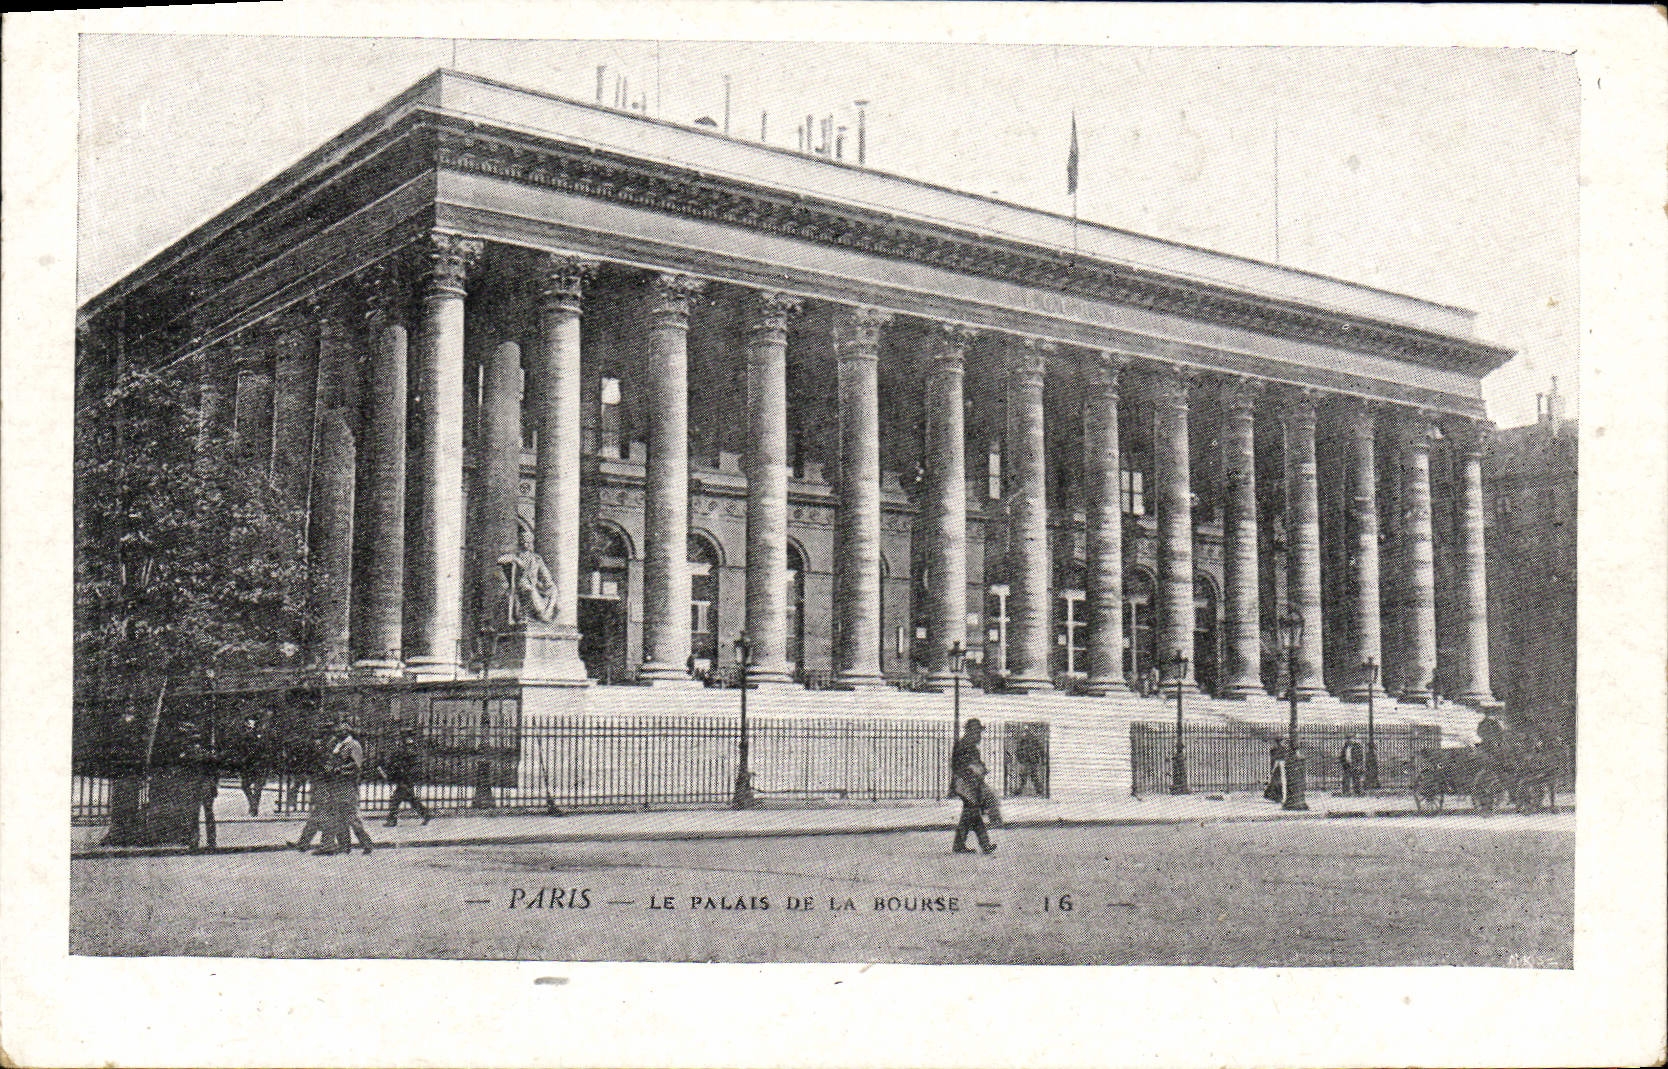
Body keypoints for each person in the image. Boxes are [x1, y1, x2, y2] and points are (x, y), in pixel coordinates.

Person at [316, 721, 374, 856]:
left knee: (351, 818)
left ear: (347, 732)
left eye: (340, 732)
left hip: (348, 786)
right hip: (337, 785)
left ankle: (367, 843)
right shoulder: (339, 745)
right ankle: (341, 846)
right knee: (337, 816)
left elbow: (356, 766)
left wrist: (339, 769)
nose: (337, 734)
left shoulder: (354, 745)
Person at [950, 718, 998, 855]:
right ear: (971, 731)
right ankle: (983, 845)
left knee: (971, 815)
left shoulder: (967, 745)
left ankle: (963, 845)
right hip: (965, 785)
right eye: (978, 732)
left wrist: (980, 768)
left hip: (969, 784)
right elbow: (962, 766)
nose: (980, 736)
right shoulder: (965, 745)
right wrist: (977, 769)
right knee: (973, 814)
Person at [379, 727, 431, 827]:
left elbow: (407, 761)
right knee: (411, 799)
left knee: (395, 799)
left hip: (406, 778)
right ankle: (426, 814)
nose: (400, 736)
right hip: (404, 778)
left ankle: (392, 820)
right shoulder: (405, 746)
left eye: (402, 734)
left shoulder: (409, 746)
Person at [1012, 728, 1046, 796]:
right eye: (1025, 731)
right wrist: (1019, 758)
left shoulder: (1035, 740)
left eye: (1028, 731)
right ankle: (1021, 790)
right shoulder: (1022, 741)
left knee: (1033, 775)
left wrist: (1040, 758)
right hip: (1025, 760)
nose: (1027, 733)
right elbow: (1018, 750)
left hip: (1032, 760)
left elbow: (1041, 749)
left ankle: (1038, 790)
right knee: (1024, 776)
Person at [1264, 738, 1288, 803]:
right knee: (1279, 783)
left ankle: (1278, 797)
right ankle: (1279, 797)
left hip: (1277, 767)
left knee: (1276, 783)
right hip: (1280, 767)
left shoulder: (1274, 750)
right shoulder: (1282, 750)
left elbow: (1274, 760)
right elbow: (1279, 759)